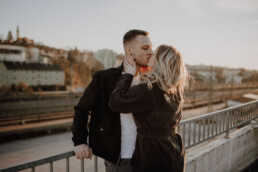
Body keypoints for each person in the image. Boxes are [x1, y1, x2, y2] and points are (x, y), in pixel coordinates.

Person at [72, 29, 153, 172]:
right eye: (145, 48)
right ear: (129, 51)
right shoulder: (104, 78)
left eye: (151, 48)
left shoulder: (150, 80)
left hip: (148, 157)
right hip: (120, 160)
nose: (151, 52)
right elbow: (81, 109)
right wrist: (80, 142)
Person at [109, 45, 188, 172]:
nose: (150, 54)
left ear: (161, 60)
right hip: (174, 150)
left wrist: (127, 76)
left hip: (154, 153)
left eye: (155, 53)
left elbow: (115, 102)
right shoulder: (175, 91)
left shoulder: (149, 90)